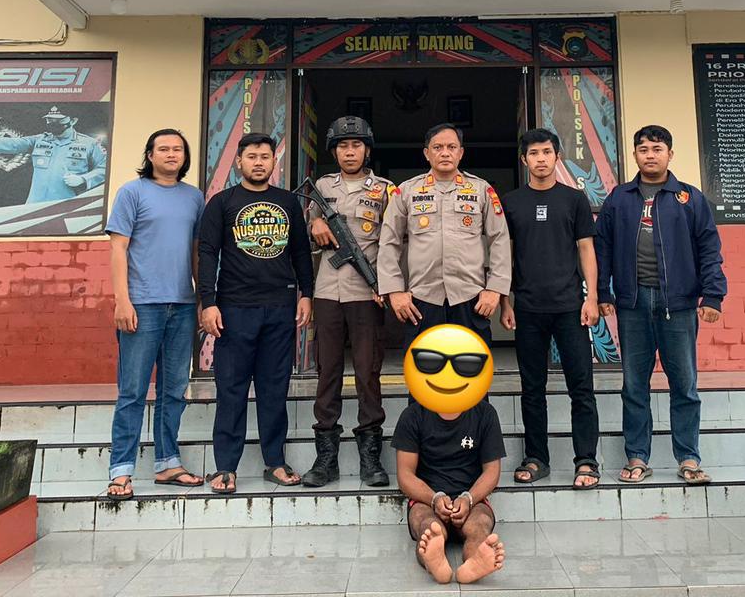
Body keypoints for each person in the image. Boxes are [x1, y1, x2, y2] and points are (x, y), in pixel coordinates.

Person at [594, 124, 726, 486]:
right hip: (632, 303)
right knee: (634, 385)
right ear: (634, 155)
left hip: (678, 305)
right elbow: (602, 248)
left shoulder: (689, 198)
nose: (650, 155)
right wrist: (603, 293)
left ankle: (688, 458)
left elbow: (709, 249)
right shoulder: (619, 198)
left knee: (684, 385)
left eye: (657, 149)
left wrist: (712, 295)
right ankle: (637, 456)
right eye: (643, 149)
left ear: (670, 154)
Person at [198, 133, 313, 493]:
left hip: (280, 307)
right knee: (231, 389)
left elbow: (300, 251)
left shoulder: (287, 202)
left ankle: (275, 461)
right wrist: (208, 301)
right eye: (252, 156)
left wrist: (307, 294)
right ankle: (225, 467)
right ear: (239, 162)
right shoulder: (222, 203)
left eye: (265, 156)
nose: (259, 162)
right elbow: (207, 253)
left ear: (273, 162)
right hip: (234, 308)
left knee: (274, 388)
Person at [102, 129, 206, 500]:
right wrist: (122, 300)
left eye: (178, 149)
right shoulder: (132, 192)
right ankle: (121, 470)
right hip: (142, 305)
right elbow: (118, 250)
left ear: (185, 156)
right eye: (163, 149)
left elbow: (196, 252)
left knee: (174, 390)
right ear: (150, 155)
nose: (171, 154)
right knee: (132, 391)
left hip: (182, 306)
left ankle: (167, 463)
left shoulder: (194, 197)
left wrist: (202, 298)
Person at [499, 128, 602, 489]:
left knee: (581, 388)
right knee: (532, 388)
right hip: (528, 307)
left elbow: (586, 249)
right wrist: (506, 300)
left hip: (570, 306)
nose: (540, 159)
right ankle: (536, 458)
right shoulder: (511, 202)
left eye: (546, 152)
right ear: (524, 159)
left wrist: (592, 297)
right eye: (534, 153)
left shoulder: (574, 199)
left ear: (557, 157)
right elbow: (505, 255)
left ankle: (586, 460)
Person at [301, 116, 395, 488]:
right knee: (328, 372)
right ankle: (326, 457)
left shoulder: (386, 190)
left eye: (356, 145)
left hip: (367, 293)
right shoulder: (322, 187)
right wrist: (315, 225)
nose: (350, 151)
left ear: (367, 150)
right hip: (327, 291)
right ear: (334, 151)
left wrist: (386, 285)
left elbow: (393, 243)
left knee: (368, 373)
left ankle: (371, 455)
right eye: (343, 146)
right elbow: (306, 234)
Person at [377, 123, 512, 345]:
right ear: (426, 153)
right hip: (421, 299)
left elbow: (499, 239)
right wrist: (394, 291)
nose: (445, 153)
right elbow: (389, 242)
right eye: (437, 147)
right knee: (424, 364)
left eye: (451, 147)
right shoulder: (407, 191)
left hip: (471, 298)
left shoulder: (481, 190)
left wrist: (495, 289)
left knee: (471, 364)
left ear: (461, 152)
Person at [393, 381, 507, 584]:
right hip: (426, 499)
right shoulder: (413, 415)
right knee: (428, 527)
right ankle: (435, 562)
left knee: (479, 526)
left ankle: (474, 564)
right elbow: (405, 475)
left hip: (471, 498)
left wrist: (469, 498)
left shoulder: (485, 413)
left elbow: (492, 471)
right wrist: (434, 498)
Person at [0, 105, 107, 203]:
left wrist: (83, 179)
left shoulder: (89, 144)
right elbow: (16, 143)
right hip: (35, 204)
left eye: (59, 120)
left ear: (73, 121)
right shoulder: (40, 140)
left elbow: (105, 168)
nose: (53, 123)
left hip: (67, 205)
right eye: (50, 119)